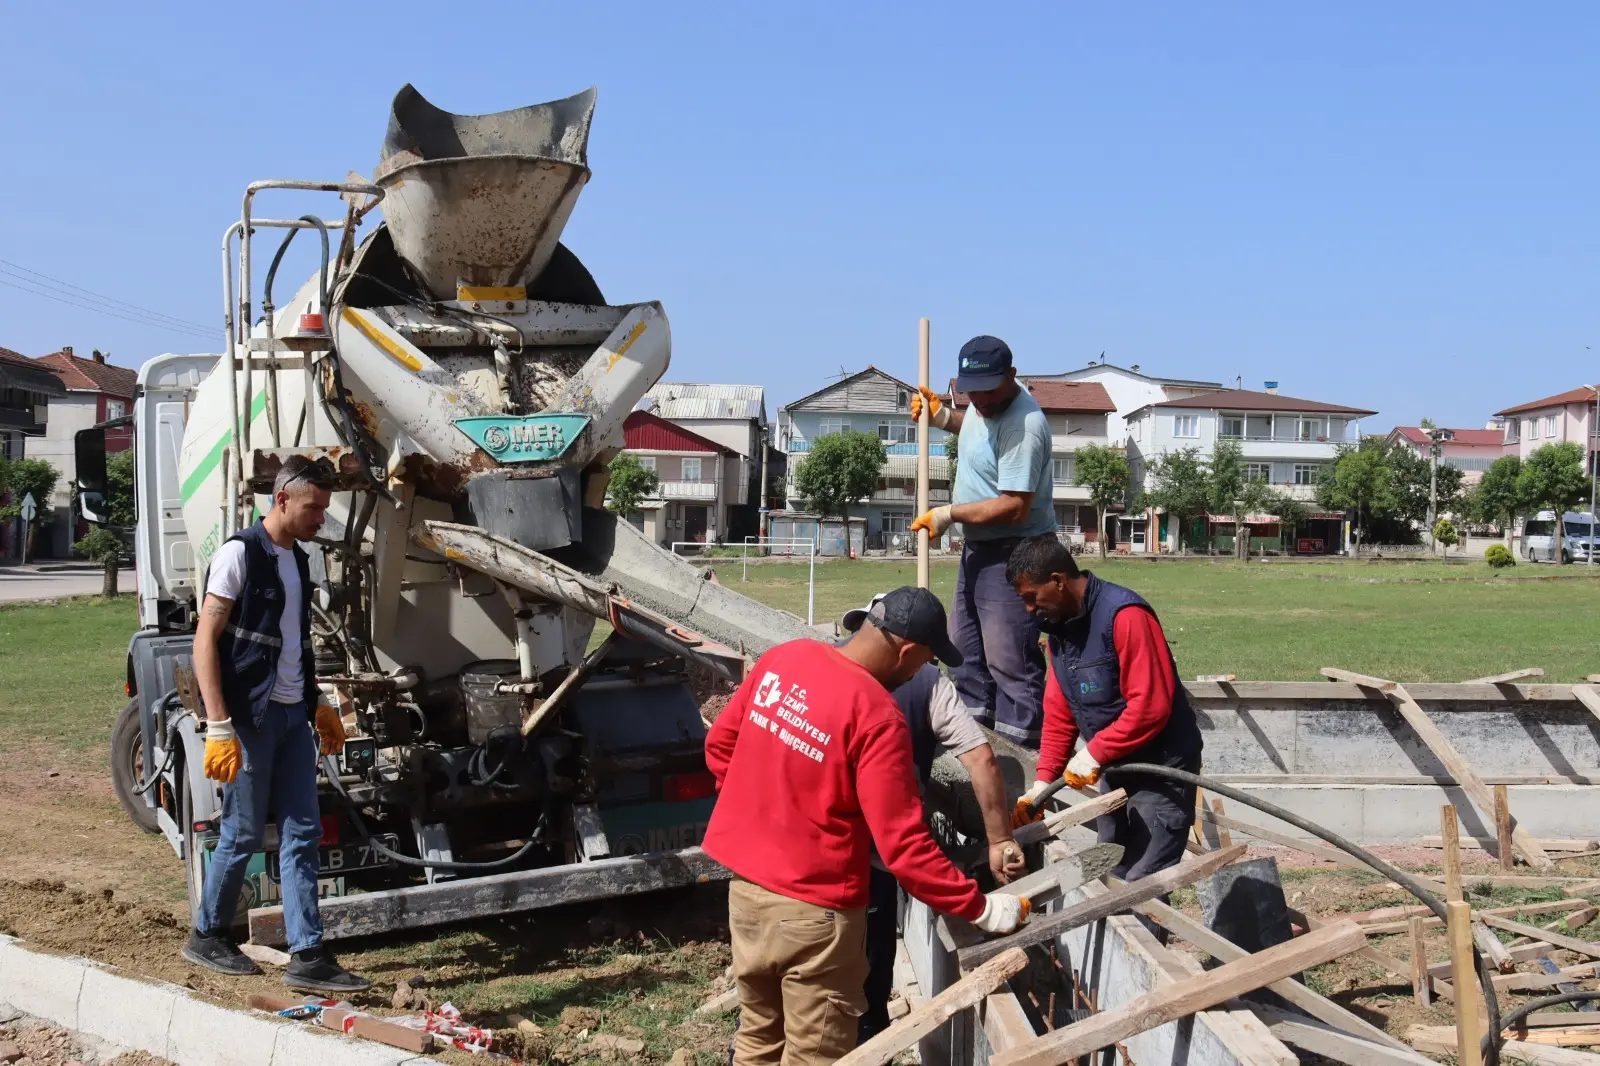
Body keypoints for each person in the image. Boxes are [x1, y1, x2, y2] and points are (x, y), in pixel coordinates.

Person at [703, 587, 1027, 1066]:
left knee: (758, 1038)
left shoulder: (783, 659)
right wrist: (980, 908)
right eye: (922, 663)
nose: (917, 674)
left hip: (747, 894)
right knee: (817, 1054)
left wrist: (771, 814)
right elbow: (904, 846)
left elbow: (719, 749)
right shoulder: (876, 714)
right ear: (909, 651)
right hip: (816, 914)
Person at [182, 456, 370, 994]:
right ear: (282, 498)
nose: (320, 519)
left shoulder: (298, 560)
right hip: (249, 719)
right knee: (242, 831)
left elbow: (295, 643)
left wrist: (318, 702)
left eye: (324, 509)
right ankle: (207, 934)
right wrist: (219, 724)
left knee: (303, 832)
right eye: (313, 508)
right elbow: (205, 642)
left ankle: (307, 953)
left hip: (291, 717)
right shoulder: (239, 555)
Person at [837, 594, 1026, 1043]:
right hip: (875, 860)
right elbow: (981, 759)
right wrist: (997, 851)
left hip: (806, 863)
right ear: (909, 651)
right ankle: (868, 1037)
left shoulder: (818, 665)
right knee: (865, 978)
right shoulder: (923, 685)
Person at [1005, 534, 1204, 883]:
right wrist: (1041, 783)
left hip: (1161, 771)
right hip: (1115, 769)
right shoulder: (1060, 630)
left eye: (1031, 597)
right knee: (1110, 870)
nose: (1029, 609)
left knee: (1144, 881)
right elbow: (1060, 713)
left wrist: (1095, 753)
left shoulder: (1125, 616)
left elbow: (1150, 707)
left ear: (1057, 581)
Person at [911, 335, 1055, 748]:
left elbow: (1014, 507)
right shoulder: (981, 403)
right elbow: (974, 428)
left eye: (989, 391)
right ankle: (974, 745)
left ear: (1012, 376)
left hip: (1015, 552)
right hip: (979, 549)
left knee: (1008, 660)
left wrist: (949, 513)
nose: (981, 401)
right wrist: (942, 417)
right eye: (971, 391)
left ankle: (1021, 760)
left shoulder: (1023, 426)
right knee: (965, 653)